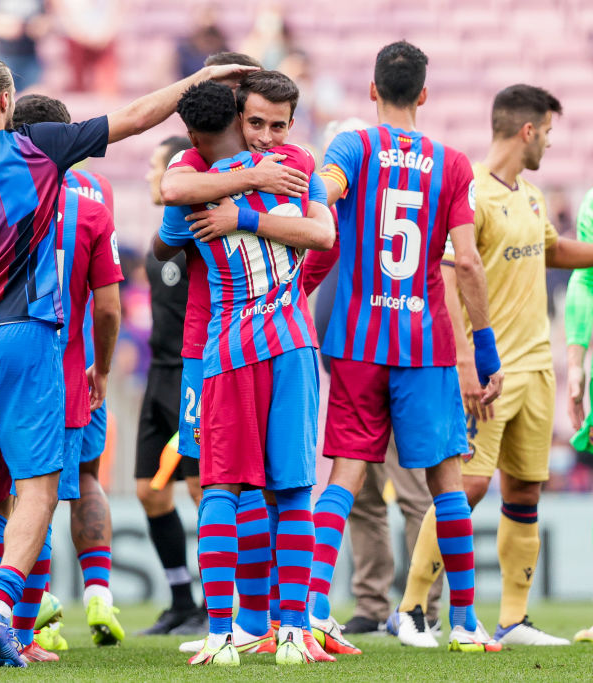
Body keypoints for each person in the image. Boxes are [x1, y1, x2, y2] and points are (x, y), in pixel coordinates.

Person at [0, 55, 254, 667]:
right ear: (6, 102)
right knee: (37, 483)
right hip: (27, 336)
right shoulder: (39, 147)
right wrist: (196, 80)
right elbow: (137, 118)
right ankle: (2, 615)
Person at [305, 40, 503, 653]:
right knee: (447, 483)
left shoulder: (352, 146)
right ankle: (467, 623)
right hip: (426, 346)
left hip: (359, 340)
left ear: (372, 91)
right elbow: (466, 262)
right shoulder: (453, 164)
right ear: (423, 93)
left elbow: (324, 200)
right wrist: (486, 347)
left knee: (343, 477)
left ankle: (312, 611)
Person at [394, 84, 588, 647]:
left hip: (537, 368)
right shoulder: (470, 193)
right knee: (470, 486)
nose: (550, 144)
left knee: (525, 491)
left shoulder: (528, 196)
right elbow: (452, 283)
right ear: (527, 130)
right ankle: (410, 609)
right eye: (548, 132)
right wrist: (465, 364)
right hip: (491, 371)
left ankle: (514, 618)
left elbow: (554, 251)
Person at [154, 79, 334, 666]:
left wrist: (235, 216)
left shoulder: (193, 188)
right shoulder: (290, 168)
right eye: (258, 122)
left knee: (221, 487)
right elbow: (322, 234)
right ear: (240, 114)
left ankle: (223, 635)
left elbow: (166, 228)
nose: (266, 134)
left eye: (276, 124)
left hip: (229, 349)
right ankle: (291, 633)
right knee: (293, 490)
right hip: (292, 342)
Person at [8, 94, 124, 660]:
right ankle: (99, 594)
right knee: (81, 479)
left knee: (25, 493)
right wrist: (101, 366)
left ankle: (33, 612)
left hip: (4, 359)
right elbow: (108, 305)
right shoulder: (96, 197)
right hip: (77, 368)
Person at [131, 135, 207, 637]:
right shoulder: (155, 246)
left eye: (156, 166)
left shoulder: (198, 234)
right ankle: (182, 600)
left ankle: (235, 599)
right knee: (149, 493)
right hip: (157, 375)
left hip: (191, 378)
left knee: (207, 491)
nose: (148, 175)